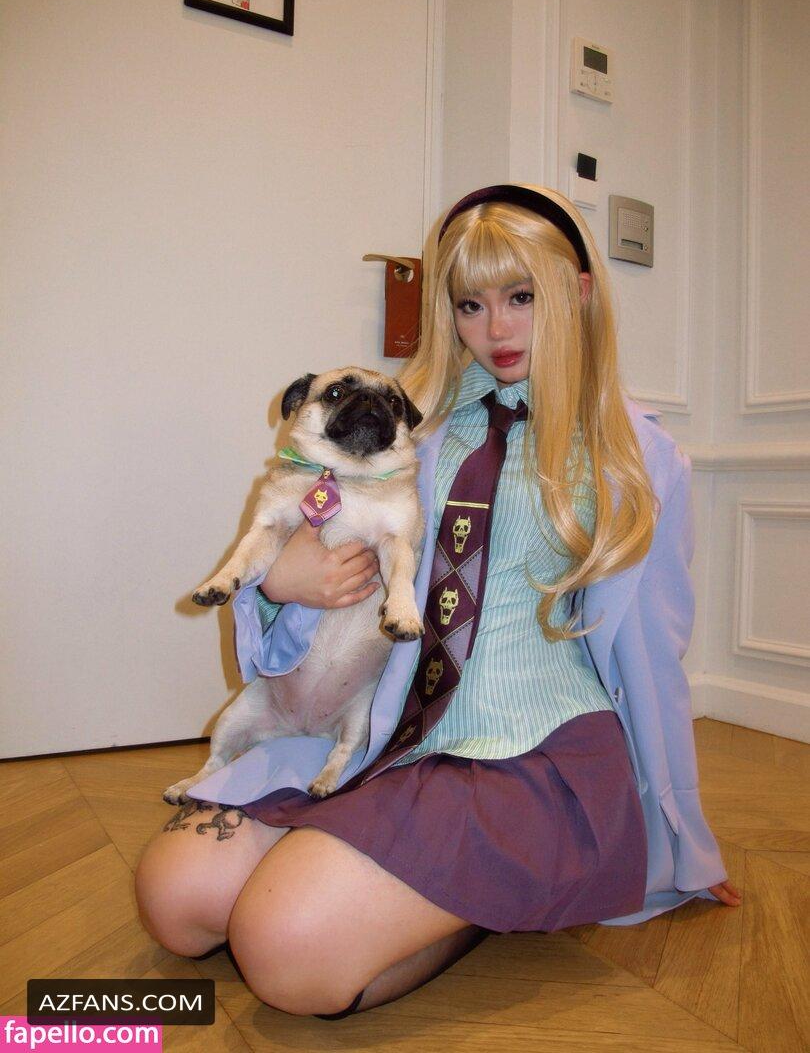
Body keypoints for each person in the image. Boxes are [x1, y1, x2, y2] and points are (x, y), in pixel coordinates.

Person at [135, 183, 742, 1020]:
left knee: (282, 948)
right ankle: (457, 886)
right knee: (178, 901)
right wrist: (279, 585)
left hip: (535, 749)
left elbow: (654, 652)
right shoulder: (403, 430)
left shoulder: (636, 454)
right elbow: (312, 568)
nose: (497, 329)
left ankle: (480, 903)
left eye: (522, 297)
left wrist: (682, 834)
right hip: (394, 729)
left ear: (578, 292)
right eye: (470, 305)